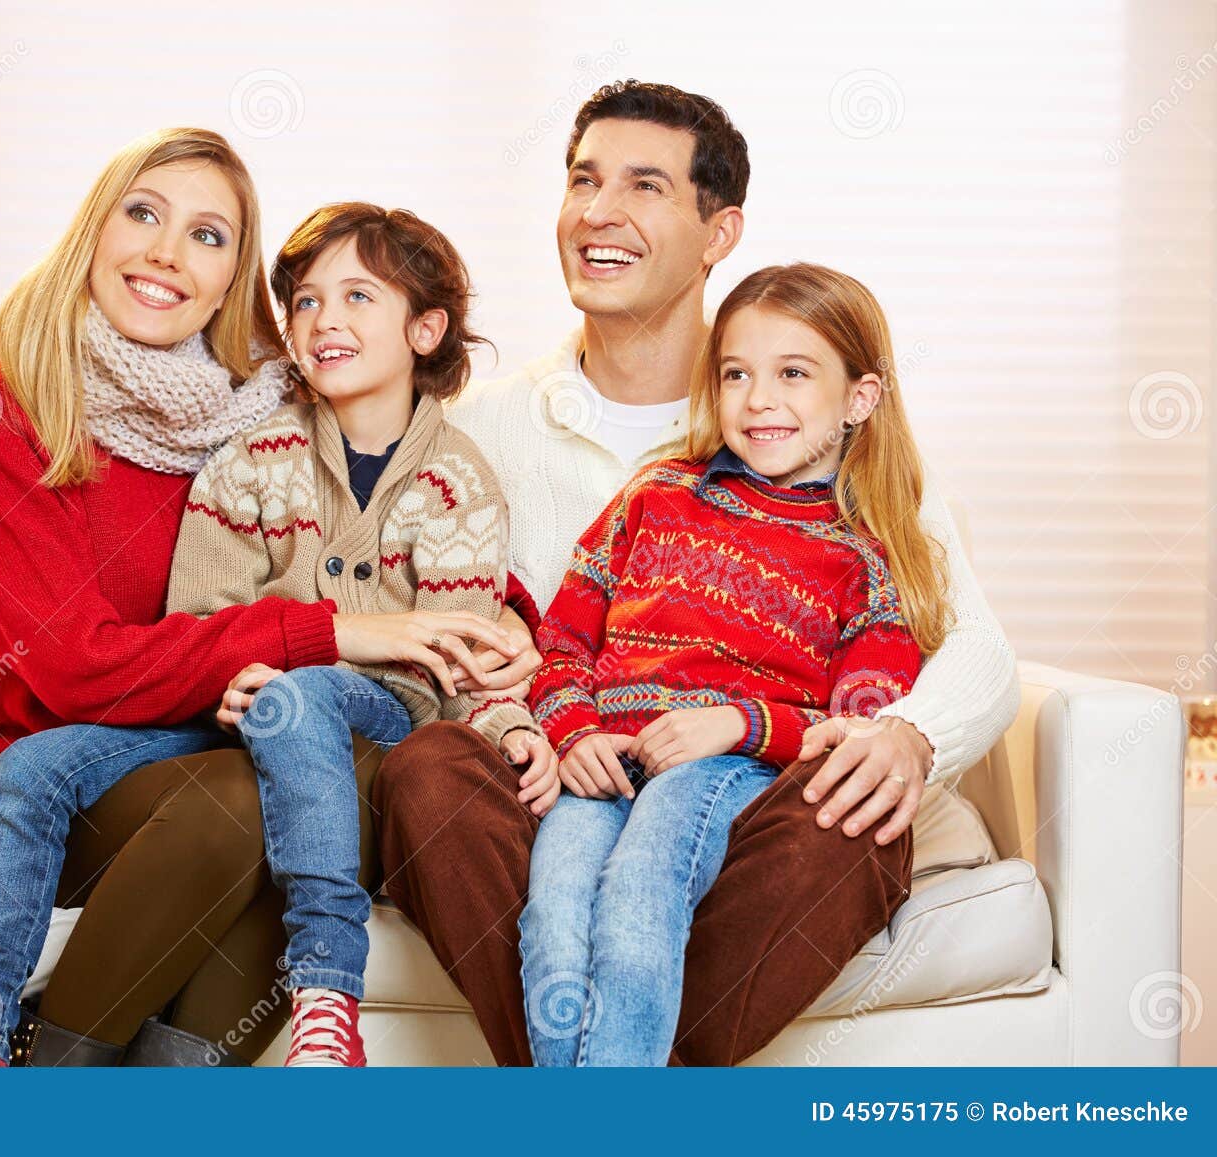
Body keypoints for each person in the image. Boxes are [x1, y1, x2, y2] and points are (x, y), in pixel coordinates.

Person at [372, 81, 1020, 1065]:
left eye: (644, 186)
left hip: (739, 797)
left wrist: (908, 734)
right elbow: (426, 631)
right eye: (582, 180)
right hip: (566, 778)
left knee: (851, 811)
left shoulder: (827, 438)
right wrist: (521, 715)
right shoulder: (478, 430)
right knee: (428, 772)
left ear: (720, 232)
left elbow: (973, 645)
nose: (599, 212)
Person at [0, 129, 521, 1066]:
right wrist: (334, 634)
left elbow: (380, 528)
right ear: (93, 231)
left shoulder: (255, 402)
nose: (167, 253)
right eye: (144, 214)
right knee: (249, 796)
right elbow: (72, 668)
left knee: (320, 771)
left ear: (230, 281)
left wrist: (505, 624)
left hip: (227, 730)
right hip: (69, 772)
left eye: (207, 235)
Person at [520, 262, 946, 1065]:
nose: (758, 400)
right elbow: (563, 641)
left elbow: (860, 725)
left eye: (794, 374)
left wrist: (740, 724)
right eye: (736, 374)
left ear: (860, 398)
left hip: (721, 770)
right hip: (605, 763)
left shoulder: (865, 557)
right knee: (554, 921)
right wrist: (574, 732)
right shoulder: (655, 495)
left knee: (637, 903)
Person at [165, 203, 558, 1065]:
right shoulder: (250, 462)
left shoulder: (457, 483)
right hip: (267, 721)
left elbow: (464, 657)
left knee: (306, 686)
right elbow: (196, 625)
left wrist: (511, 725)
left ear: (425, 330)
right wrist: (227, 671)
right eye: (306, 301)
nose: (324, 320)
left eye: (357, 297)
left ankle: (324, 986)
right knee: (283, 697)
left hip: (389, 724)